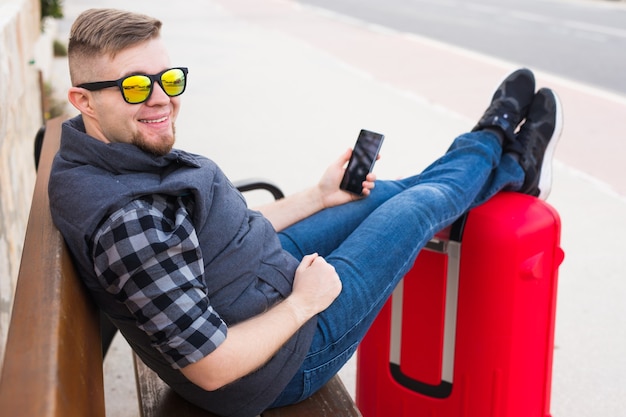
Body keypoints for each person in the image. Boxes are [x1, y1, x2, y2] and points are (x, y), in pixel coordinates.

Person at [48, 8, 562, 417]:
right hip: (279, 360)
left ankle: (505, 160)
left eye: (169, 79)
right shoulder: (127, 221)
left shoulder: (104, 151)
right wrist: (303, 304)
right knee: (418, 208)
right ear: (84, 101)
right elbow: (211, 366)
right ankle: (495, 143)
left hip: (250, 277)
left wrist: (317, 196)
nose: (161, 99)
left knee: (383, 192)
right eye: (136, 87)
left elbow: (201, 241)